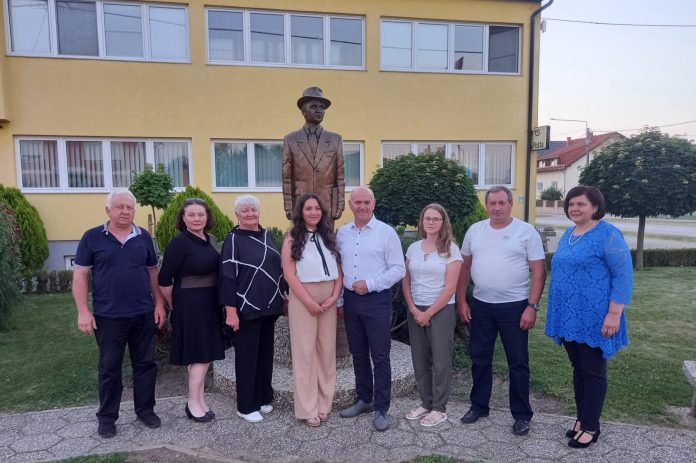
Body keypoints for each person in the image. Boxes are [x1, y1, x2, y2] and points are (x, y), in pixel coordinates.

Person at [72, 188, 166, 439]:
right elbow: (80, 275)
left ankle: (145, 410)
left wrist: (158, 303)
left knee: (145, 365)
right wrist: (83, 311)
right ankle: (107, 418)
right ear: (108, 210)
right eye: (120, 207)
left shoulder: (144, 236)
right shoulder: (92, 237)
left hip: (142, 314)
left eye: (130, 208)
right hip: (108, 317)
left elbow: (152, 272)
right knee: (109, 368)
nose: (125, 212)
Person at [545, 186, 633, 448]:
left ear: (595, 207)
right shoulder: (569, 233)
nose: (574, 208)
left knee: (593, 371)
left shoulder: (607, 234)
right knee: (579, 369)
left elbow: (623, 275)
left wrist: (614, 314)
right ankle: (582, 419)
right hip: (570, 316)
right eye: (571, 204)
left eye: (581, 204)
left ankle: (591, 427)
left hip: (596, 316)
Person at [456, 185, 547, 436]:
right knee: (479, 359)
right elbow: (464, 269)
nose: (496, 208)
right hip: (481, 306)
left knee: (518, 363)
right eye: (492, 203)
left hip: (515, 307)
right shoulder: (475, 231)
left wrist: (532, 306)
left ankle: (521, 415)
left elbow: (539, 272)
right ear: (487, 205)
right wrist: (462, 301)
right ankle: (479, 406)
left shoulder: (526, 232)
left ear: (510, 205)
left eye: (501, 203)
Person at [336, 186, 405, 431]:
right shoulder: (342, 233)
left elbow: (398, 269)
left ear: (373, 204)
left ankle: (381, 408)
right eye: (358, 202)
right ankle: (364, 399)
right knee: (358, 353)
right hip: (351, 301)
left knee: (380, 355)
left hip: (376, 300)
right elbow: (340, 269)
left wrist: (371, 284)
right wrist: (341, 301)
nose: (362, 206)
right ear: (350, 204)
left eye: (367, 202)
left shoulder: (386, 233)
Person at [158, 198, 225, 423]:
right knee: (200, 354)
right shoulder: (179, 244)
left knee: (203, 354)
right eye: (191, 215)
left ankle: (200, 400)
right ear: (183, 218)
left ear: (207, 217)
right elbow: (164, 279)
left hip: (210, 303)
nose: (197, 218)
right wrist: (174, 304)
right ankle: (192, 403)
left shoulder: (210, 239)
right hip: (190, 304)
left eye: (201, 214)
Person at [219, 195, 285, 423]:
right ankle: (246, 406)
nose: (250, 214)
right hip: (246, 308)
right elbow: (227, 277)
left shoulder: (267, 235)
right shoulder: (233, 239)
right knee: (247, 357)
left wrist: (283, 295)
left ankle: (263, 397)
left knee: (265, 355)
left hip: (269, 306)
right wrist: (230, 311)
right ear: (237, 214)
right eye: (244, 211)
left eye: (253, 210)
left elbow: (277, 268)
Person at [281, 193, 343, 427]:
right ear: (301, 211)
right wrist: (308, 301)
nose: (314, 212)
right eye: (309, 208)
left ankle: (325, 403)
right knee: (305, 353)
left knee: (326, 352)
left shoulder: (329, 236)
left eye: (317, 208)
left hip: (329, 296)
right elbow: (289, 273)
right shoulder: (292, 237)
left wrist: (335, 296)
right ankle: (308, 408)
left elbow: (339, 268)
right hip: (303, 295)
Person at [402, 204, 462, 427]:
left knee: (440, 360)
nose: (430, 222)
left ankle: (439, 408)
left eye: (436, 219)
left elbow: (450, 288)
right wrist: (413, 308)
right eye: (427, 218)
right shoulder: (413, 248)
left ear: (443, 222)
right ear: (422, 221)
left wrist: (428, 313)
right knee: (419, 359)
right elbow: (406, 279)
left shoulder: (451, 250)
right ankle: (426, 403)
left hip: (441, 311)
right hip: (416, 309)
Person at [283, 86, 345, 228]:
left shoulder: (335, 139)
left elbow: (340, 175)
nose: (319, 110)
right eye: (313, 106)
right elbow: (287, 177)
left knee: (327, 245)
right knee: (300, 245)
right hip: (300, 204)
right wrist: (288, 205)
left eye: (322, 107)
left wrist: (339, 204)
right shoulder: (290, 139)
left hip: (327, 204)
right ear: (303, 111)